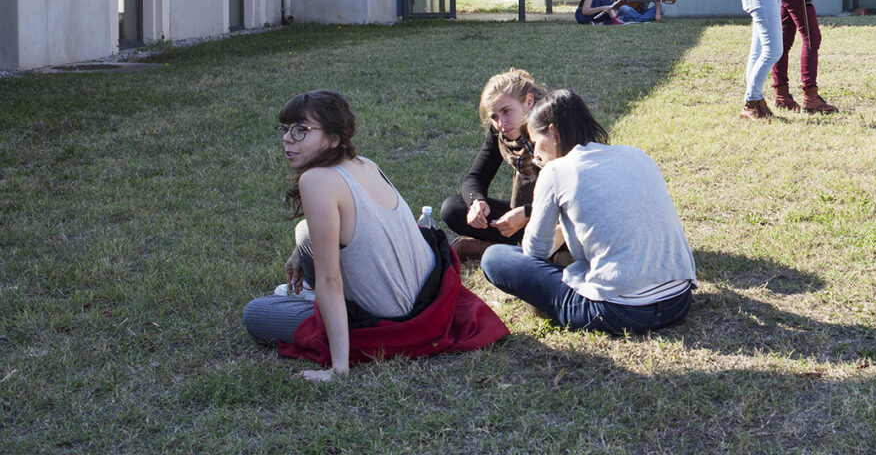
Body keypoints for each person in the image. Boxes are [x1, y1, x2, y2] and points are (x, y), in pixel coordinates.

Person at [243, 91, 507, 377]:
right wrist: (300, 252)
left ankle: (316, 307)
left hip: (391, 321)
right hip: (427, 299)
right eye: (286, 129)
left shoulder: (315, 180)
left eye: (301, 130)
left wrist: (338, 368)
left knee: (256, 313)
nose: (287, 138)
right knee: (305, 230)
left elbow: (330, 280)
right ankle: (310, 296)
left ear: (334, 138)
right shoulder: (366, 164)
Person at [479, 89, 697, 334]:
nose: (535, 154)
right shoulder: (637, 155)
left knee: (495, 257)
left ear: (553, 132)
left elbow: (534, 252)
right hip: (679, 301)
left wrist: (558, 225)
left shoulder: (556, 171)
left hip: (619, 311)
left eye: (536, 143)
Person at [440, 70, 545, 262]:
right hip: (522, 213)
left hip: (561, 213)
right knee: (453, 208)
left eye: (507, 111)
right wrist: (476, 203)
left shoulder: (552, 126)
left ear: (529, 101)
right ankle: (515, 246)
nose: (501, 123)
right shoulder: (500, 134)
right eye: (494, 117)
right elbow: (476, 177)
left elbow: (574, 193)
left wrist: (528, 213)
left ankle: (507, 249)